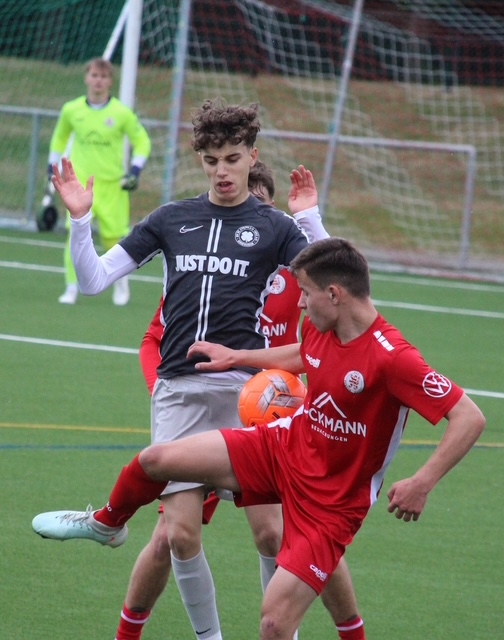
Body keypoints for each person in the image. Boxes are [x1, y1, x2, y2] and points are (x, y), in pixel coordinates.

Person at [33, 237, 485, 639]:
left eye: (305, 292)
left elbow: (469, 416)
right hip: (280, 449)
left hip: (332, 502)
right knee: (157, 460)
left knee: (274, 625)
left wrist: (422, 482)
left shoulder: (394, 358)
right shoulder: (322, 326)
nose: (299, 304)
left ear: (334, 294)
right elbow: (302, 354)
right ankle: (107, 524)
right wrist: (237, 357)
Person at [35, 98, 312, 640]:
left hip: (248, 396)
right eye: (211, 160)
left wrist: (310, 219)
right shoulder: (170, 219)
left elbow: (331, 278)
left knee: (271, 535)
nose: (222, 171)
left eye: (232, 159)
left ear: (251, 157)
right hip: (179, 393)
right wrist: (81, 219)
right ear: (200, 160)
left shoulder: (276, 227)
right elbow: (93, 280)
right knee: (181, 536)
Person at [119, 161, 365, 640]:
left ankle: (314, 630)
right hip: (197, 409)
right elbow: (155, 338)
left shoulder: (301, 286)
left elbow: (329, 325)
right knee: (171, 535)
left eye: (262, 208)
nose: (252, 222)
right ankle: (130, 632)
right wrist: (163, 394)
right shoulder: (208, 276)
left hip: (267, 414)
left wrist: (295, 392)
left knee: (286, 533)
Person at [48, 57, 151, 306]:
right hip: (80, 186)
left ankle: (120, 284)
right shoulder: (71, 110)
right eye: (94, 75)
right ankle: (71, 287)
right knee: (75, 235)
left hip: (112, 186)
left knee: (113, 239)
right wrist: (50, 169)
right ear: (86, 78)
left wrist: (135, 170)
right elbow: (59, 139)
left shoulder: (121, 113)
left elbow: (142, 142)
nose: (98, 81)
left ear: (110, 81)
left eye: (103, 77)